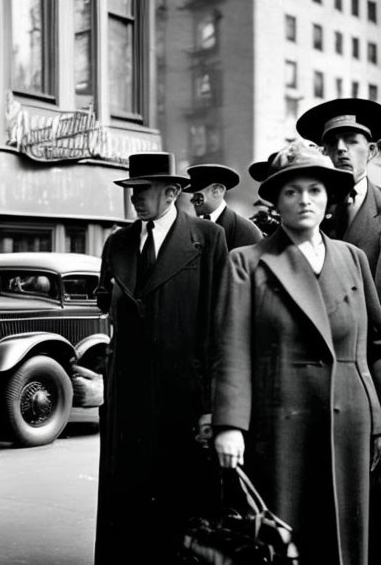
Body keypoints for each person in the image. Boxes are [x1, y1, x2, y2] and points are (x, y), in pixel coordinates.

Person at [212, 139, 381, 565]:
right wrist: (229, 425)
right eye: (291, 191)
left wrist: (376, 419)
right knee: (286, 537)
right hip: (280, 422)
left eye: (314, 190)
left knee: (346, 533)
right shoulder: (246, 262)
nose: (304, 200)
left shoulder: (353, 258)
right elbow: (231, 349)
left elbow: (372, 345)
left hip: (349, 419)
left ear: (328, 201)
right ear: (276, 201)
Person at [94, 152, 229, 564]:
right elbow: (105, 301)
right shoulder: (117, 242)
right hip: (128, 398)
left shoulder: (207, 239)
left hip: (182, 397)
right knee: (128, 506)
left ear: (172, 193)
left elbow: (219, 323)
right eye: (132, 190)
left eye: (144, 190)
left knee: (182, 508)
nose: (135, 198)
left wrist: (212, 406)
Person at [296, 98, 381, 289]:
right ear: (323, 153)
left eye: (351, 140)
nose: (341, 148)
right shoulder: (303, 206)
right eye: (332, 143)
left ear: (371, 150)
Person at [185, 163, 264, 249]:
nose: (192, 201)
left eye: (198, 197)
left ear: (217, 191)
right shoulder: (190, 226)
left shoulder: (247, 231)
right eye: (192, 196)